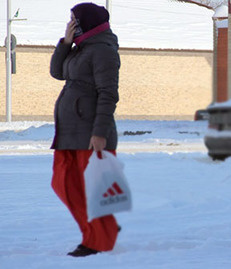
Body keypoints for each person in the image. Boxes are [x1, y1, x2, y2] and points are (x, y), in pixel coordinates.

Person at [49, 3, 121, 257]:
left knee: (90, 190)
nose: (71, 24)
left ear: (87, 22)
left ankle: (97, 240)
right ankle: (104, 230)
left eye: (74, 20)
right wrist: (65, 43)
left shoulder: (103, 51)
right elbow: (57, 72)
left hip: (91, 132)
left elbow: (108, 93)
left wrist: (99, 132)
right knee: (63, 183)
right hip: (69, 130)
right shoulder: (80, 48)